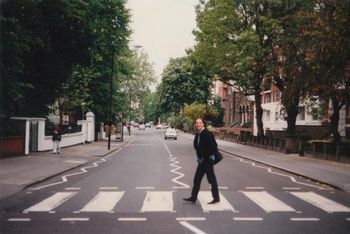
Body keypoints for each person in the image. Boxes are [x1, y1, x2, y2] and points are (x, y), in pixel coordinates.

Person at [183, 118, 220, 204]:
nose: (198, 124)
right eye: (197, 123)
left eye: (200, 123)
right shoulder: (198, 134)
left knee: (211, 179)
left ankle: (216, 197)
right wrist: (200, 157)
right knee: (197, 179)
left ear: (203, 124)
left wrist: (205, 156)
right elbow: (197, 146)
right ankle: (193, 197)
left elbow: (214, 147)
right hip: (201, 161)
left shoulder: (207, 134)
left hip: (207, 161)